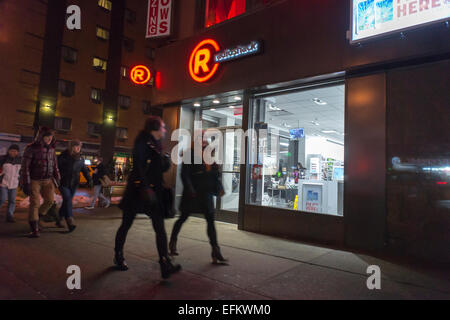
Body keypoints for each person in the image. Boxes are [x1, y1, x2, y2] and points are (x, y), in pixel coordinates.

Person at [114, 116, 181, 279]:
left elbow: (159, 169)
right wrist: (145, 187)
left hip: (152, 193)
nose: (165, 130)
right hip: (138, 192)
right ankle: (118, 255)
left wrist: (165, 161)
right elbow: (138, 167)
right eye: (163, 127)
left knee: (159, 228)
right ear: (155, 129)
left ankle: (165, 263)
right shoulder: (142, 142)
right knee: (126, 224)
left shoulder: (157, 145)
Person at [169, 140, 228, 264]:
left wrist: (216, 171)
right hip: (193, 194)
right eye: (202, 142)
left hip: (206, 194)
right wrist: (190, 189)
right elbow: (184, 175)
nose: (205, 144)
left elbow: (213, 175)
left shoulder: (208, 158)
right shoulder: (189, 155)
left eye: (206, 143)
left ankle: (215, 250)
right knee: (183, 218)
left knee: (210, 221)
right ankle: (173, 241)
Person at [20, 127, 60, 238]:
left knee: (50, 201)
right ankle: (34, 229)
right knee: (35, 203)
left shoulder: (52, 149)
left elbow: (55, 165)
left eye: (51, 137)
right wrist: (26, 183)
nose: (49, 139)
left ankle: (36, 217)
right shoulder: (31, 148)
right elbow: (25, 167)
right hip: (34, 180)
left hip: (48, 180)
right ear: (41, 136)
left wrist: (58, 177)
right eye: (47, 136)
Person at [57, 139, 92, 232]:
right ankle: (70, 221)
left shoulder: (80, 158)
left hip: (74, 184)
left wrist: (89, 180)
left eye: (80, 146)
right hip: (63, 182)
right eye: (76, 146)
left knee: (66, 201)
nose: (78, 148)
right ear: (71, 147)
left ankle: (59, 218)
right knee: (68, 199)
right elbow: (56, 169)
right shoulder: (63, 156)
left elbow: (84, 170)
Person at [0, 144, 22, 223]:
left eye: (15, 151)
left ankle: (10, 215)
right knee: (2, 199)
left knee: (12, 201)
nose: (13, 152)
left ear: (17, 152)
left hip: (14, 184)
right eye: (11, 151)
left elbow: (21, 172)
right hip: (3, 183)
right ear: (8, 151)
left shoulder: (20, 160)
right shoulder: (3, 159)